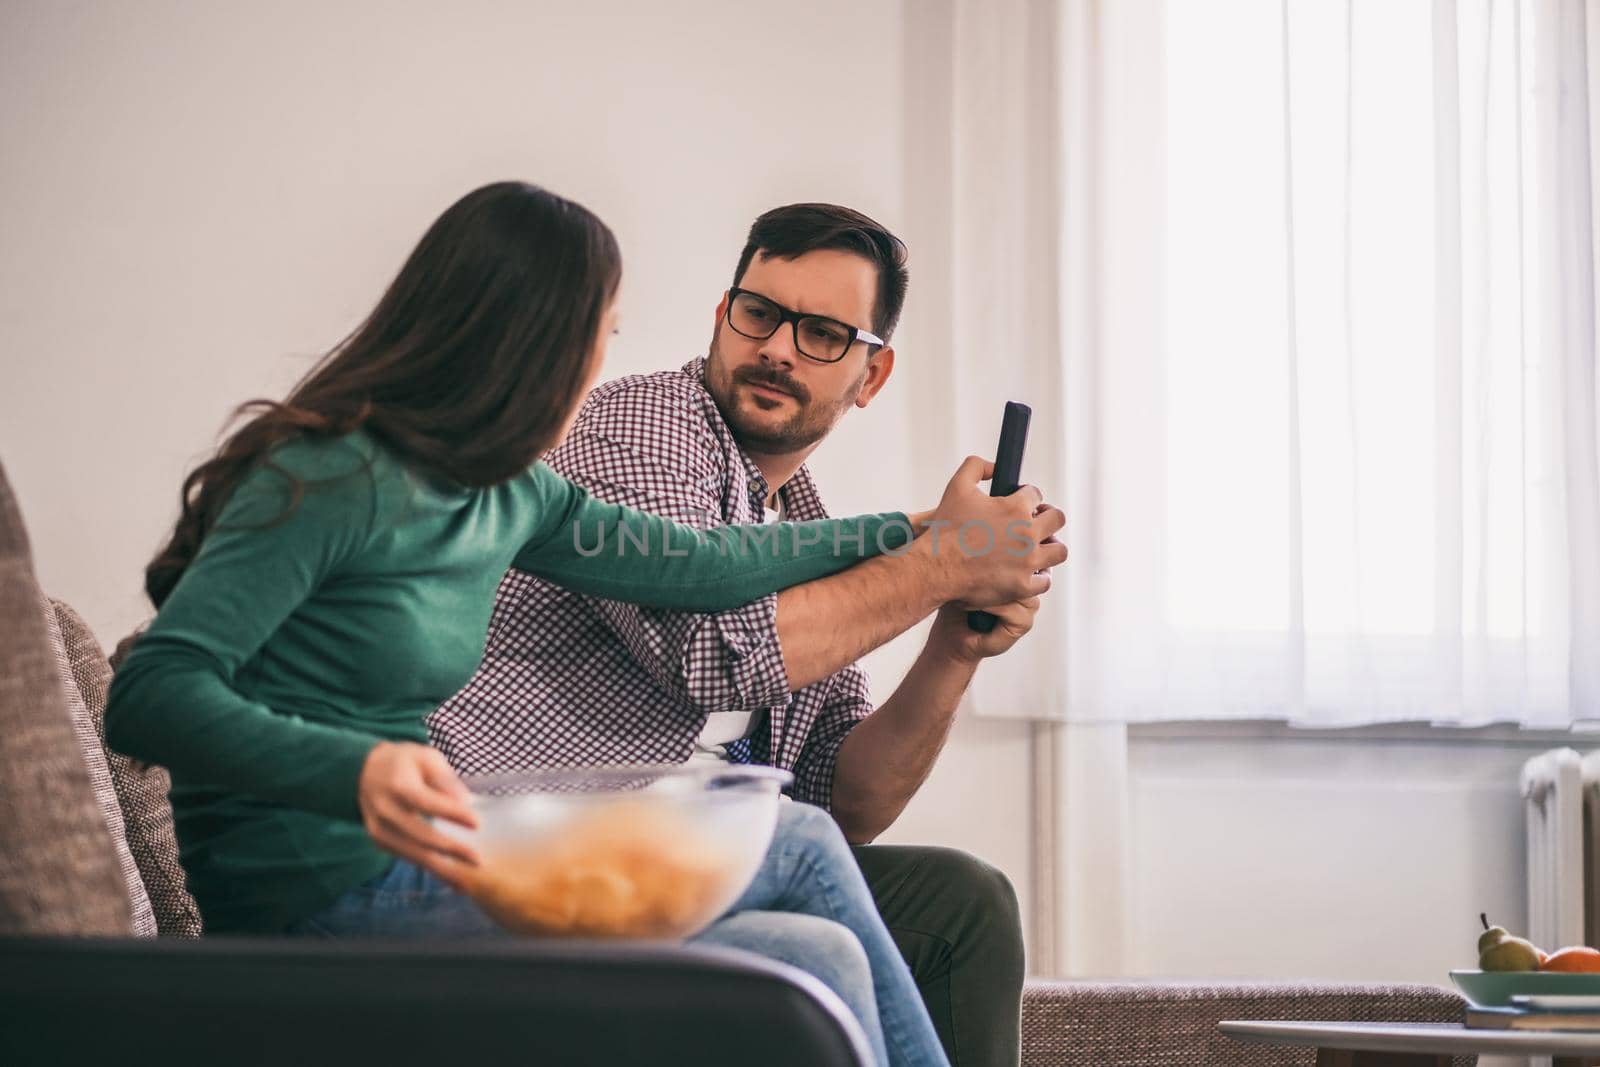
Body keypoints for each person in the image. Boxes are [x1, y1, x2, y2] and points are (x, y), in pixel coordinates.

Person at [104, 182, 1065, 1067]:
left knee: (812, 953)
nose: (604, 361)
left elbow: (704, 567)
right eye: (602, 333)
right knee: (801, 842)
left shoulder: (507, 492)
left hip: (436, 872)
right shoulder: (330, 473)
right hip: (317, 896)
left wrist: (917, 530)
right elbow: (151, 694)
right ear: (531, 338)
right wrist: (354, 769)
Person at [431, 203, 1062, 1067]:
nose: (778, 348)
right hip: (546, 848)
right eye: (760, 314)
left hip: (697, 861)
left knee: (963, 902)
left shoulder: (805, 519)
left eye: (824, 334)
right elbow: (712, 656)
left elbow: (848, 803)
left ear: (871, 377)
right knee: (809, 904)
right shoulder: (641, 429)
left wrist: (952, 643)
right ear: (722, 317)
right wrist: (944, 563)